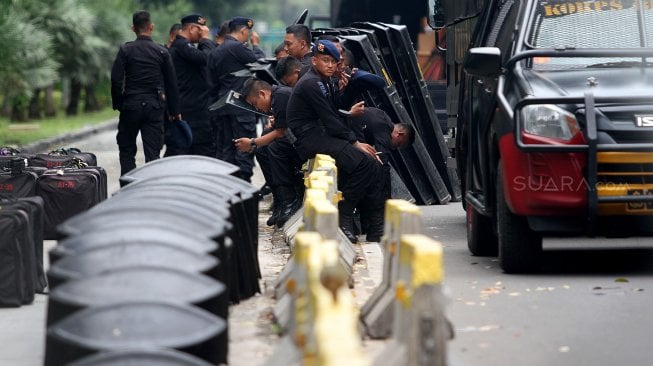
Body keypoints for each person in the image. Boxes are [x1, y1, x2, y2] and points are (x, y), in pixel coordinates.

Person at [286, 40, 383, 243]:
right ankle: (344, 215)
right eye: (325, 61)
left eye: (333, 61)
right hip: (310, 138)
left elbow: (334, 110)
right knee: (364, 162)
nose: (330, 65)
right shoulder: (312, 82)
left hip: (321, 134)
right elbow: (331, 120)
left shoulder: (325, 80)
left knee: (374, 164)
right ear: (314, 61)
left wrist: (345, 92)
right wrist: (355, 143)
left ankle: (375, 227)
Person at [110, 10, 180, 178]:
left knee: (127, 150)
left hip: (131, 105)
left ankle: (127, 188)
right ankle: (152, 190)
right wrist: (174, 111)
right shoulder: (161, 52)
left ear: (133, 28)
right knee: (153, 152)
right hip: (154, 106)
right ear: (151, 27)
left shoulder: (126, 50)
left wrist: (119, 103)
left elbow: (116, 80)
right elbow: (171, 84)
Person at [208, 16, 265, 181]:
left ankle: (227, 186)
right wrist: (256, 46)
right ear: (243, 31)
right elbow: (260, 64)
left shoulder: (216, 51)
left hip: (222, 106)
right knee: (244, 147)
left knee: (226, 149)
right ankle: (243, 188)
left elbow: (211, 84)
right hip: (241, 106)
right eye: (248, 33)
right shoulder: (238, 48)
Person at [349, 107, 415, 241]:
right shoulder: (384, 131)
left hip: (345, 136)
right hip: (345, 139)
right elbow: (382, 163)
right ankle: (376, 228)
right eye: (398, 145)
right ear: (399, 134)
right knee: (378, 181)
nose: (395, 148)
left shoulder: (382, 114)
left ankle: (369, 225)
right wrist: (387, 198)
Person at [166, 14, 216, 157]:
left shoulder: (184, 47)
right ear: (192, 29)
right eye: (201, 31)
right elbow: (207, 58)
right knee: (196, 151)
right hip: (192, 111)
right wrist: (206, 40)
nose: (202, 35)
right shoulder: (182, 46)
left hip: (192, 108)